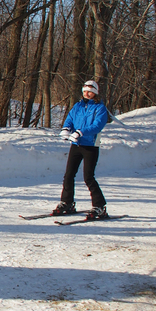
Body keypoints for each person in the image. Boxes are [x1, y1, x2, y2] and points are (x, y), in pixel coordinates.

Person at [52, 80, 109, 220]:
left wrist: (81, 132)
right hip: (76, 144)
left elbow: (97, 126)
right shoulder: (78, 106)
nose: (86, 94)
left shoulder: (100, 108)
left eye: (89, 91)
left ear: (95, 93)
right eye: (84, 91)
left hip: (90, 145)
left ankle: (100, 206)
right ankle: (67, 202)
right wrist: (66, 129)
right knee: (69, 175)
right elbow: (70, 118)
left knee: (88, 177)